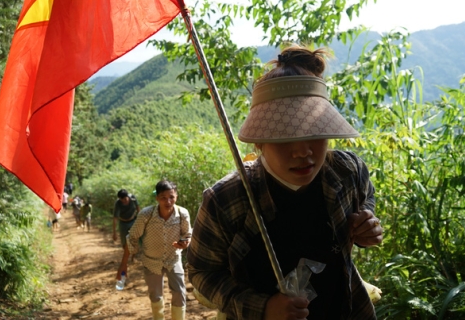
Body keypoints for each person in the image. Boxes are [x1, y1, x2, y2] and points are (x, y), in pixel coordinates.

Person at [187, 45, 383, 320]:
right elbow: (201, 272)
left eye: (315, 133)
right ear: (259, 142)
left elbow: (366, 197)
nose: (302, 152)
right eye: (284, 137)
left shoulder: (347, 171)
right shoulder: (226, 200)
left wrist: (367, 224)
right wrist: (263, 308)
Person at [118, 180, 192, 320]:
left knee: (179, 292)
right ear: (157, 198)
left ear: (176, 197)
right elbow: (132, 237)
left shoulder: (182, 214)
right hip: (151, 261)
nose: (168, 201)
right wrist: (123, 264)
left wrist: (185, 243)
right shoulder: (146, 215)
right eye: (163, 198)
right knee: (156, 296)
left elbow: (187, 235)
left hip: (173, 259)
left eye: (171, 197)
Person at [113, 189, 140, 262]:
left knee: (135, 239)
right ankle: (126, 256)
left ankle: (133, 257)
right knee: (124, 242)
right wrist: (114, 232)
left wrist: (140, 219)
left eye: (125, 199)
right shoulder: (118, 203)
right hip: (123, 223)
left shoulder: (133, 199)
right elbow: (115, 218)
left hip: (133, 221)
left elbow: (138, 207)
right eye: (122, 199)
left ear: (127, 196)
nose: (124, 201)